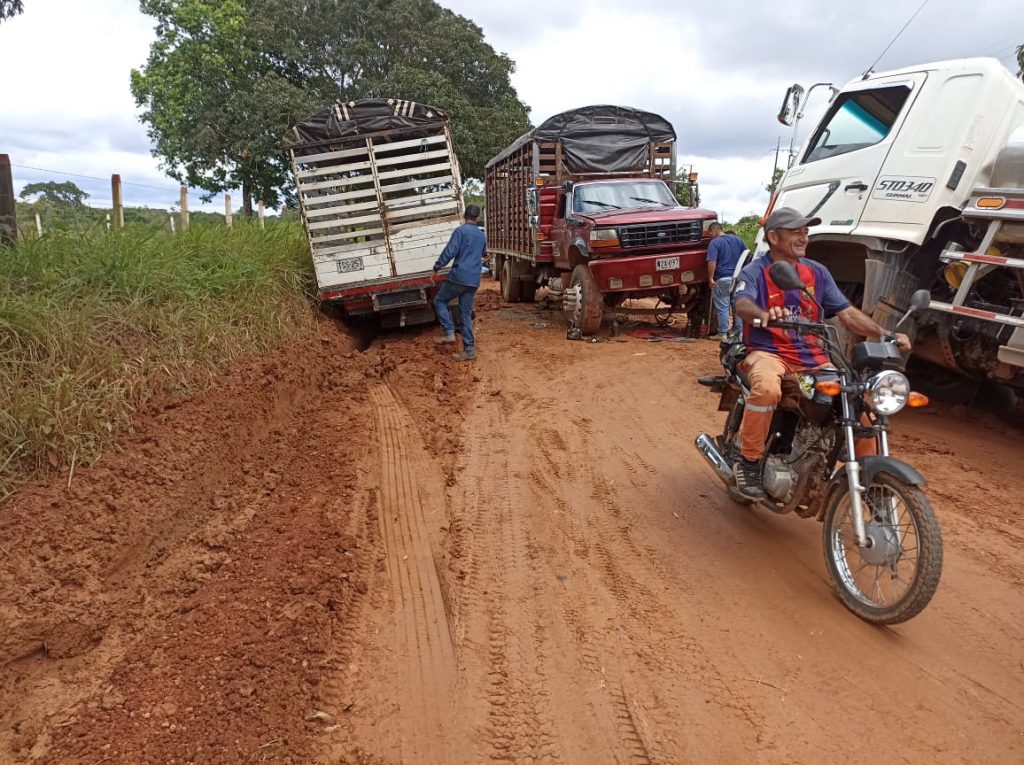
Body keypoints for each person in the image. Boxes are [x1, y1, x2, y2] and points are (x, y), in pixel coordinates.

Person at [730, 207, 911, 500]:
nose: (804, 235)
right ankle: (748, 462)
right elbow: (742, 305)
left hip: (813, 358)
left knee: (858, 401)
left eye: (806, 230)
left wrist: (884, 334)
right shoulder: (755, 272)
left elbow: (848, 313)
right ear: (774, 237)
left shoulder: (816, 272)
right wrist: (764, 314)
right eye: (796, 230)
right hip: (768, 353)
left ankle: (871, 480)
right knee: (765, 388)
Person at [433, 204, 486, 361]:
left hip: (459, 277)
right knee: (465, 315)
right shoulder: (481, 235)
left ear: (465, 216)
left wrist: (437, 267)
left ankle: (449, 332)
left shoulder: (460, 231)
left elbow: (450, 251)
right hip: (473, 280)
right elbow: (483, 253)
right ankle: (469, 350)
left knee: (440, 300)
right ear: (477, 218)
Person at [706, 222, 746, 338]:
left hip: (723, 279)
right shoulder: (738, 240)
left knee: (723, 307)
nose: (710, 236)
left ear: (713, 231)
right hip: (738, 278)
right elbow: (747, 255)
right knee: (736, 306)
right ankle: (739, 332)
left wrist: (710, 278)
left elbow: (712, 261)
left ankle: (723, 333)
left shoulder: (715, 242)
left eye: (710, 234)